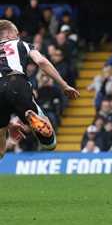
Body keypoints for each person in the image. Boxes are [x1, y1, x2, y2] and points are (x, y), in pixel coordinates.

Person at [0, 20, 79, 158]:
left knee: (0, 150)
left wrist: (8, 123)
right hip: (16, 82)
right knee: (50, 144)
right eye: (16, 33)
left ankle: (8, 125)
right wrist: (64, 85)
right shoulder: (21, 44)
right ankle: (33, 118)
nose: (18, 36)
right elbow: (42, 62)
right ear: (8, 33)